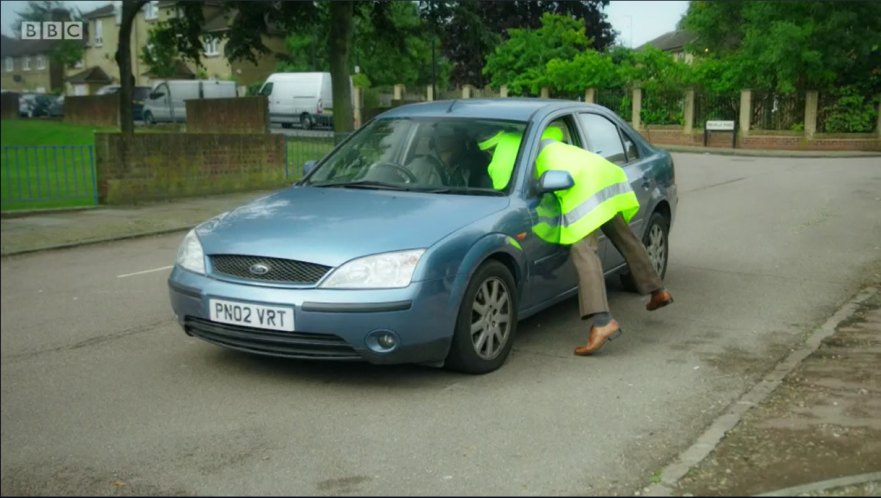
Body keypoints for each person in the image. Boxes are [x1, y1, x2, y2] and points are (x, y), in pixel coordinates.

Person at [481, 124, 674, 356]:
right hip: (605, 174)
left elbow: (501, 195)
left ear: (489, 146)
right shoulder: (538, 137)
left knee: (584, 251)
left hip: (584, 187)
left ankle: (602, 323)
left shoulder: (503, 151)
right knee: (624, 236)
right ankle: (658, 290)